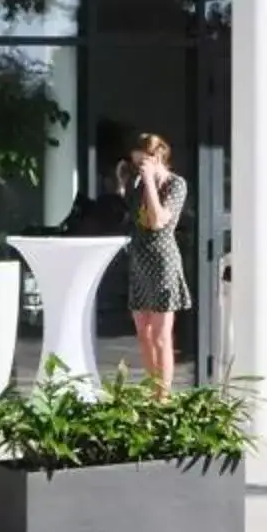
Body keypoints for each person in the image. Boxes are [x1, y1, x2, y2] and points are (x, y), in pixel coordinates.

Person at [120, 132, 191, 393]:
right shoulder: (137, 186)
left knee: (161, 336)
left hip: (162, 262)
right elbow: (133, 218)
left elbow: (158, 220)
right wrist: (126, 181)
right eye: (135, 163)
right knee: (143, 332)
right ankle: (153, 390)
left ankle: (164, 396)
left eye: (142, 162)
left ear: (157, 157)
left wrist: (150, 181)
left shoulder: (175, 185)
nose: (138, 168)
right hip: (139, 260)